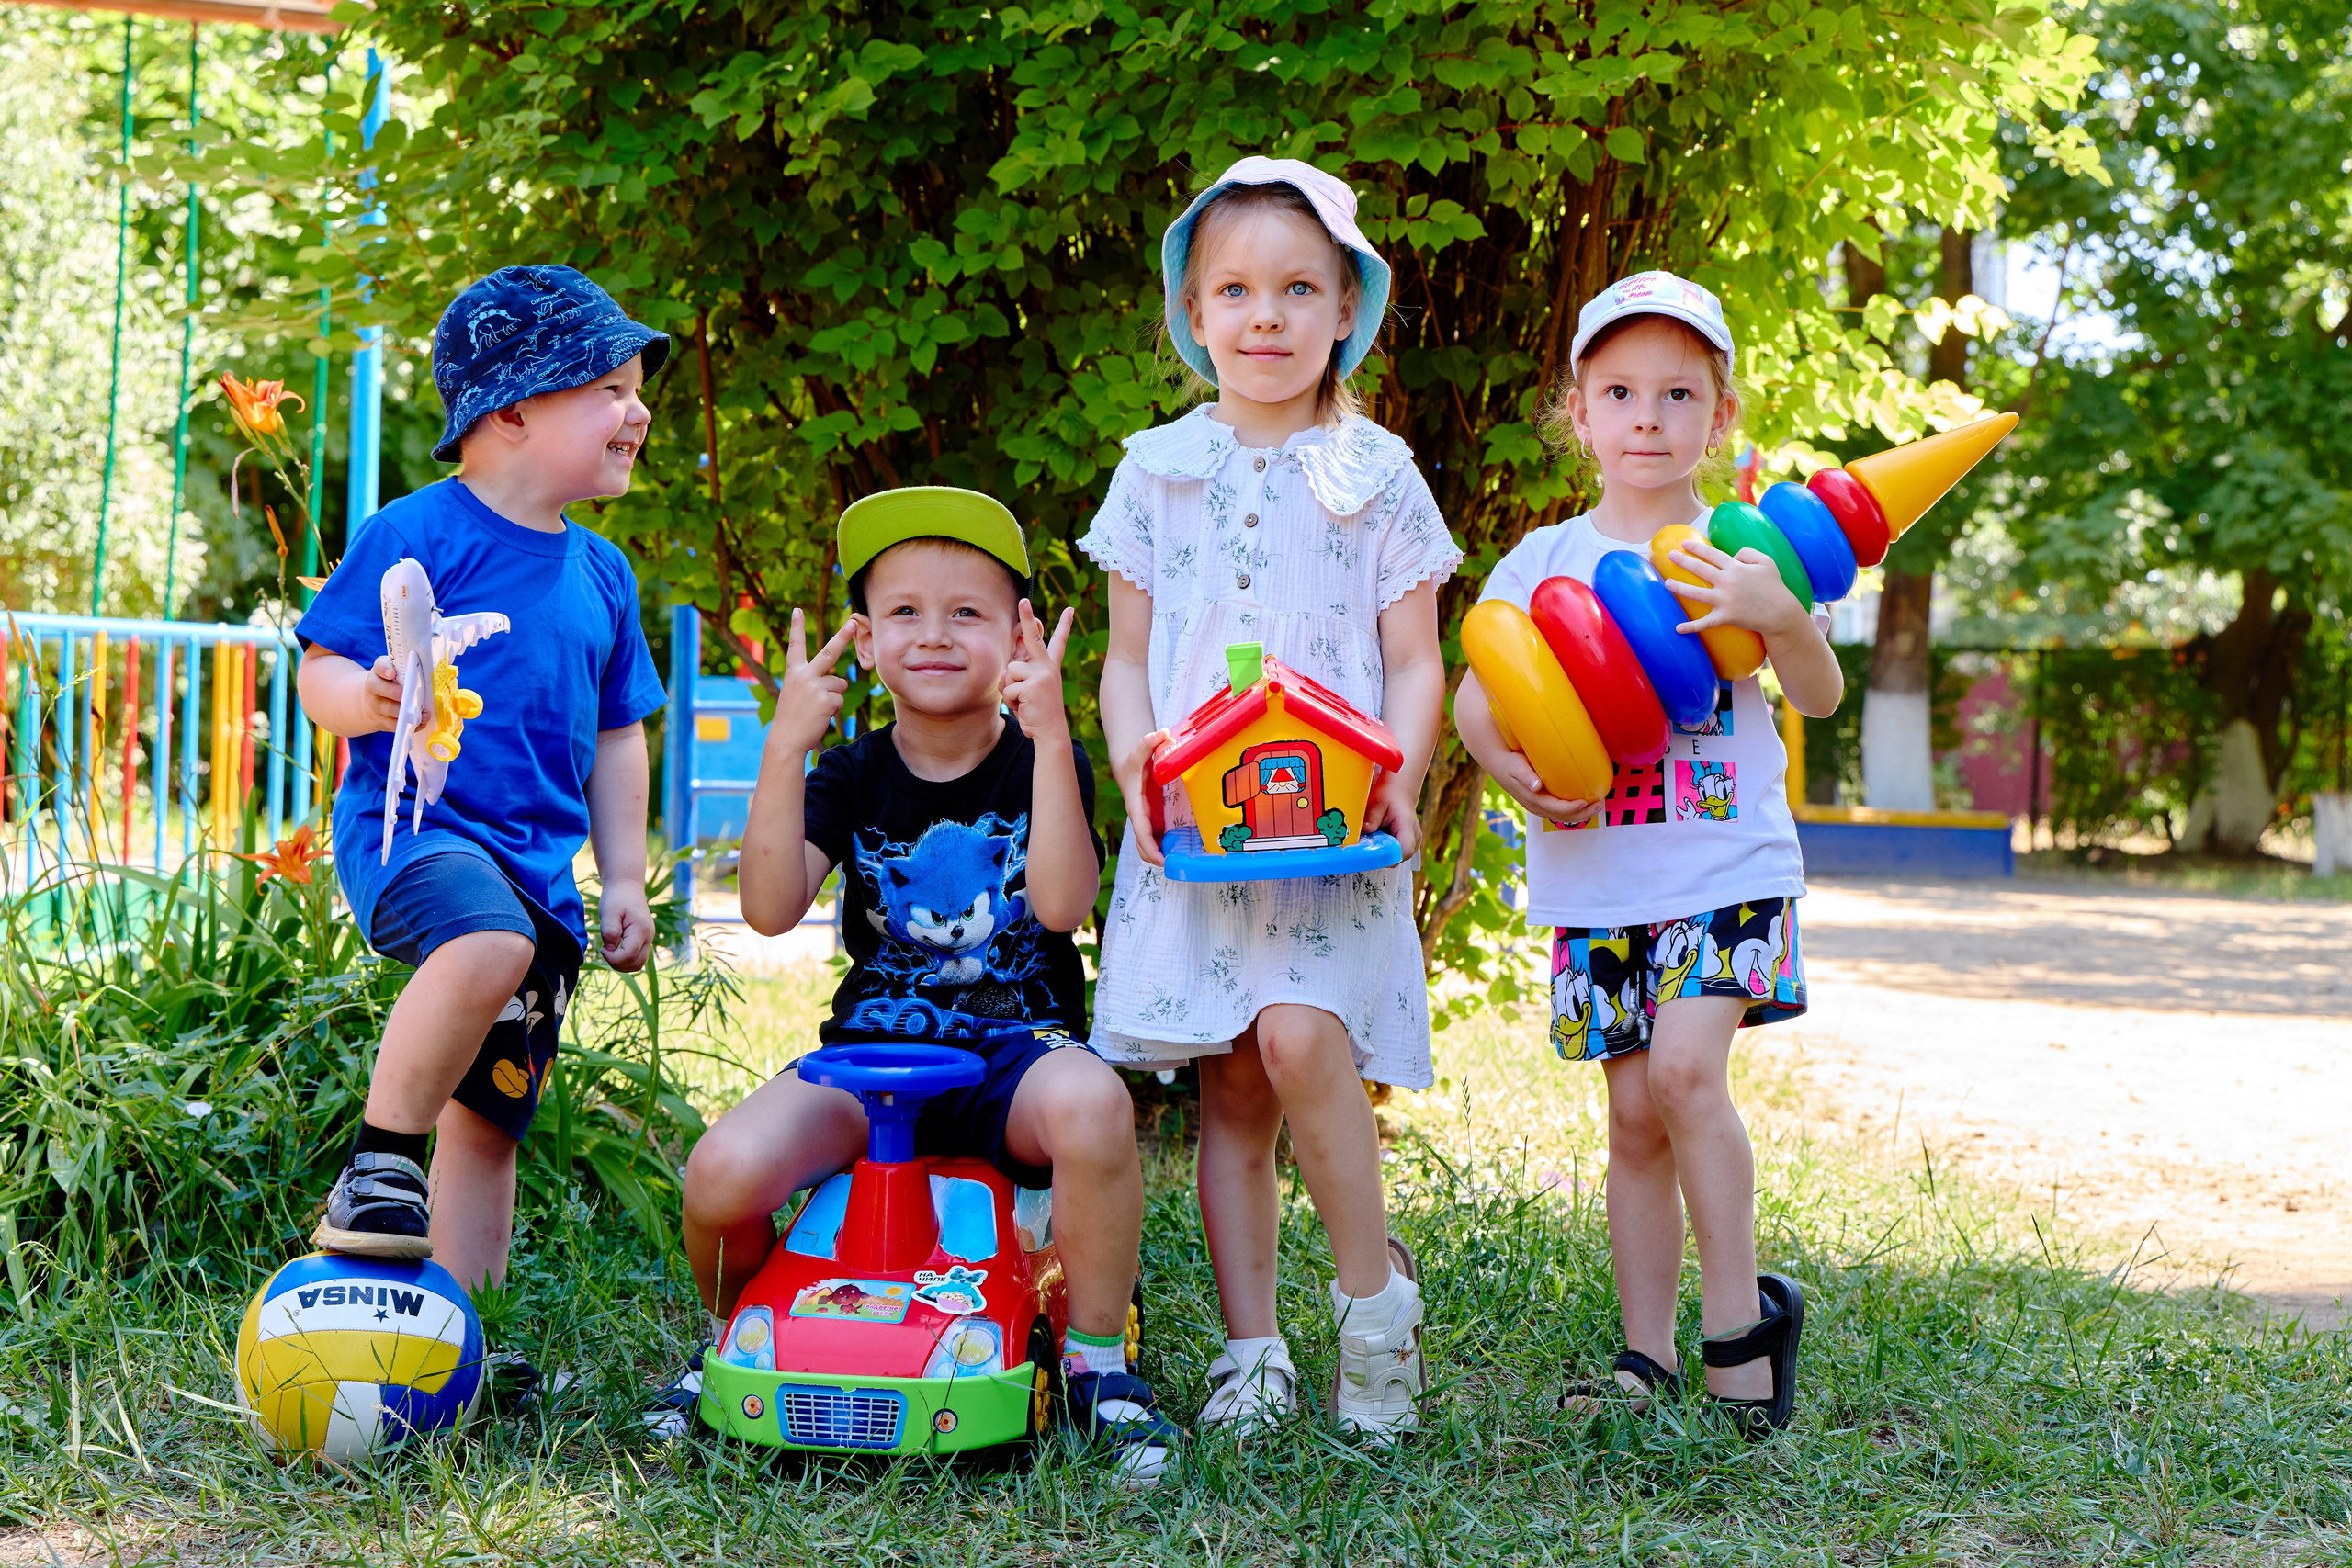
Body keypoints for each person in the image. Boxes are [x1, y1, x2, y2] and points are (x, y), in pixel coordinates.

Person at [657, 488, 1179, 1484]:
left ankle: (1100, 1366)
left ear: (1019, 633)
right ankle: (730, 1341)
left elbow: (1065, 907)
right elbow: (768, 907)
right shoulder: (849, 774)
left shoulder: (1037, 759)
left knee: (1096, 1108)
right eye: (902, 611)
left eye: (967, 613)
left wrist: (1056, 737)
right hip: (874, 1059)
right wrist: (784, 746)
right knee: (720, 1172)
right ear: (863, 638)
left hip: (1013, 1056)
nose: (933, 635)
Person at [1080, 158, 1460, 1444]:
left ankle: (1374, 1301)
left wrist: (1397, 770)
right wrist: (1135, 760)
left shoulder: (1378, 473)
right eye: (1234, 290)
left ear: (1347, 306)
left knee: (1302, 1042)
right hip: (1198, 830)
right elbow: (1125, 657)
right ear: (1192, 310)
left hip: (1333, 827)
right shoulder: (1156, 472)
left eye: (1299, 288)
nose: (1266, 317)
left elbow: (1416, 658)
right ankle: (1253, 1351)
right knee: (1232, 1088)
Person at [1453, 271, 1843, 1435]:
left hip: (1727, 872)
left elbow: (1817, 697)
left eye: (1678, 395)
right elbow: (1481, 692)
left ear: (1717, 416)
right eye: (1619, 392)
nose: (1647, 418)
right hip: (1599, 882)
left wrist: (1777, 616)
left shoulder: (1740, 552)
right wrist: (1502, 763)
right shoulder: (1544, 559)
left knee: (1685, 1076)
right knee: (1631, 1120)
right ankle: (1646, 1353)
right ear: (1577, 411)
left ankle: (1740, 1334)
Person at [294, 266, 669, 1348]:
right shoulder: (423, 531)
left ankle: (459, 1336)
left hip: (542, 881)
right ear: (511, 408)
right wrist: (363, 702)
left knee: (492, 1122)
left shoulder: (603, 575)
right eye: (609, 387)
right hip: (418, 838)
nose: (637, 411)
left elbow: (616, 733)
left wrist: (628, 876)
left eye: (637, 389)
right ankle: (376, 1164)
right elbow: (319, 669)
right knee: (485, 939)